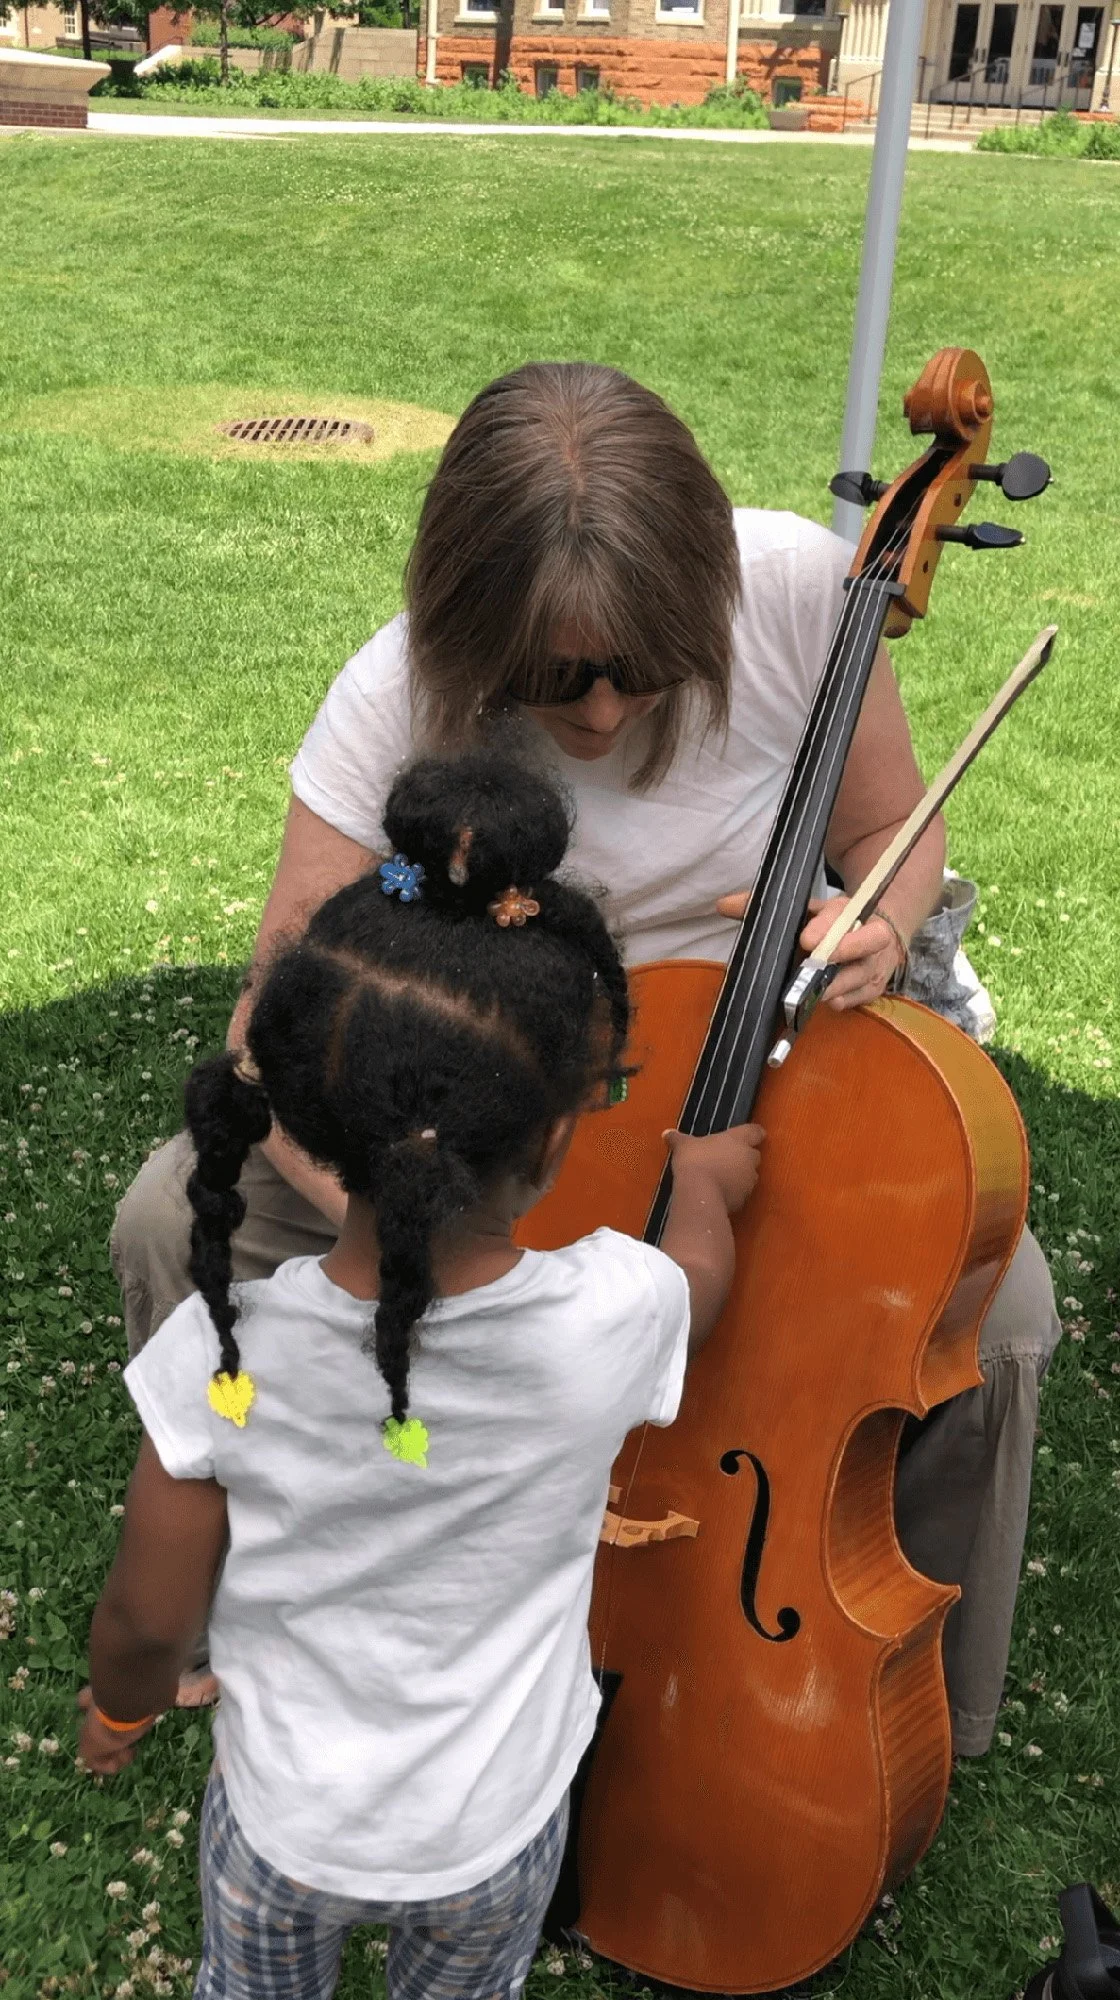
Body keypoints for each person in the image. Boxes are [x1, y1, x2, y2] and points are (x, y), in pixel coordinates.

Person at [111, 360, 1059, 1757]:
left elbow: (890, 835)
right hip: (490, 1110)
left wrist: (883, 922)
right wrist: (438, 1226)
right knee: (166, 1217)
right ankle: (212, 1609)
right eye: (555, 680)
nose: (604, 715)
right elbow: (276, 1013)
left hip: (749, 1076)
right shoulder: (393, 694)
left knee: (1004, 1307)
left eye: (643, 668)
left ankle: (917, 1694)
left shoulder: (808, 595)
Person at [80, 749, 764, 2000]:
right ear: (555, 1133)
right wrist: (706, 1187)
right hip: (494, 1830)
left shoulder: (223, 1358)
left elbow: (147, 1616)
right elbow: (697, 1283)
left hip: (283, 1826)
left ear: (304, 1108)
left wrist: (121, 1708)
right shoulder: (608, 1315)